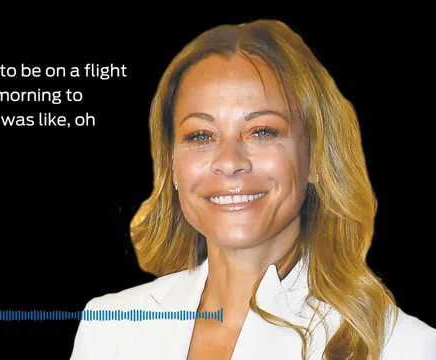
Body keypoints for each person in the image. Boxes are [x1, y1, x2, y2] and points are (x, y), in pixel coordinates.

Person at [70, 19, 436, 360]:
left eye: (263, 132)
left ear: (316, 157)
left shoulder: (401, 346)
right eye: (201, 135)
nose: (229, 162)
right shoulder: (109, 325)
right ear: (171, 165)